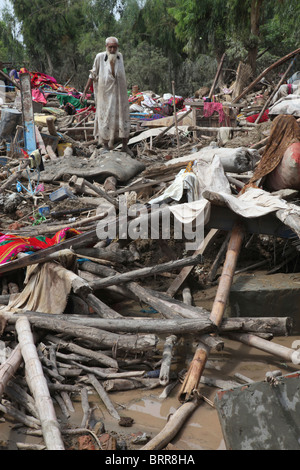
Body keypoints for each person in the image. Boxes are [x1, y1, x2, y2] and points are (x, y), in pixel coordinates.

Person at [81, 37, 133, 156]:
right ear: (106, 47)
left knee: (123, 117)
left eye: (115, 47)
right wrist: (84, 91)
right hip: (105, 94)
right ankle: (105, 146)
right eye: (110, 47)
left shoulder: (120, 56)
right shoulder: (100, 57)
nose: (113, 49)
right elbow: (92, 74)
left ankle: (125, 146)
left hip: (120, 94)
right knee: (104, 117)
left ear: (117, 47)